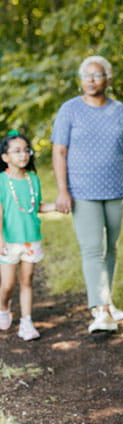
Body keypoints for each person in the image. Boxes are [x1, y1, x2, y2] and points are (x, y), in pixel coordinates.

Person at [51, 55, 123, 333]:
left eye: (97, 75)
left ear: (108, 78)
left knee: (111, 248)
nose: (91, 81)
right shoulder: (69, 110)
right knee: (93, 248)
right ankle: (101, 310)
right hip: (82, 190)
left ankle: (106, 300)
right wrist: (62, 191)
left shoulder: (120, 110)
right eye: (86, 76)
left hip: (116, 189)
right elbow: (59, 151)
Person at [0, 131, 57, 340]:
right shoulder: (2, 181)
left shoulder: (33, 179)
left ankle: (27, 322)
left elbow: (36, 206)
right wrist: (0, 239)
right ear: (5, 157)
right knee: (8, 285)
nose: (23, 155)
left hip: (31, 239)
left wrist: (57, 207)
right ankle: (4, 307)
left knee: (27, 281)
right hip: (8, 241)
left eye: (26, 150)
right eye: (17, 151)